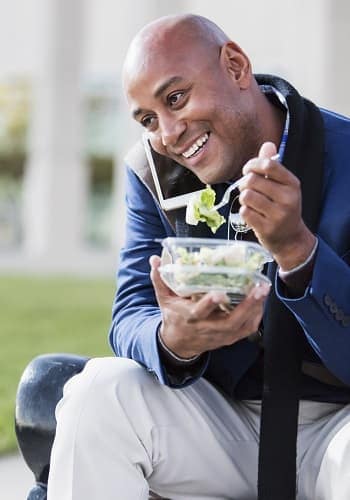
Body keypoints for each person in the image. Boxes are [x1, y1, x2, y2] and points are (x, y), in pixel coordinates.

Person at [47, 13, 350, 500]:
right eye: (148, 119)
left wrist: (298, 250)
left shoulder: (346, 154)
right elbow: (129, 315)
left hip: (338, 423)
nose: (167, 134)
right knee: (95, 394)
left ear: (234, 65)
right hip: (220, 420)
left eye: (175, 98)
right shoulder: (151, 171)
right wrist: (175, 339)